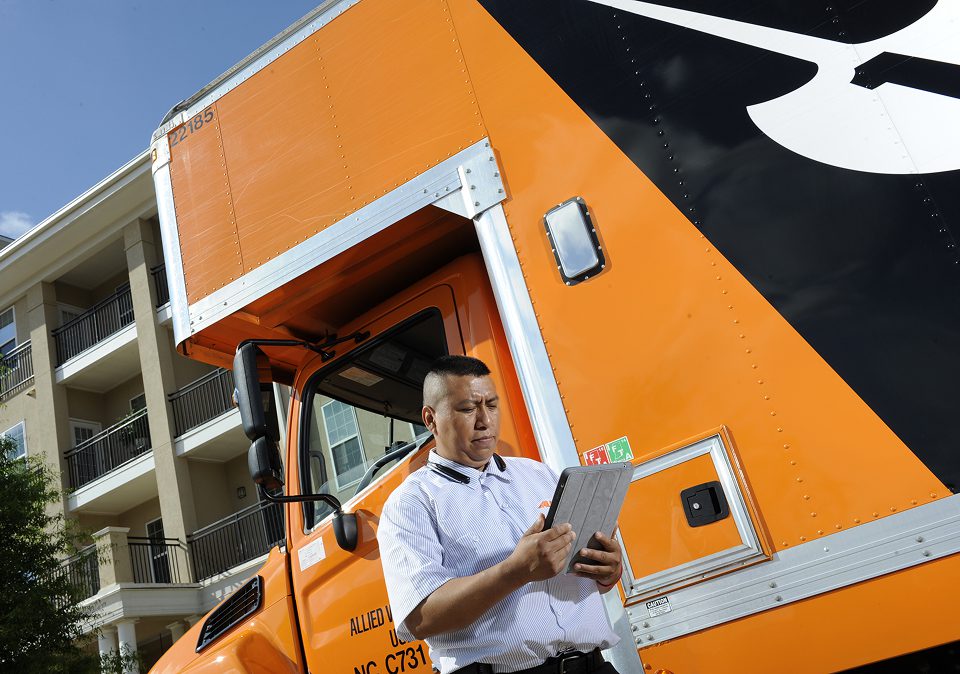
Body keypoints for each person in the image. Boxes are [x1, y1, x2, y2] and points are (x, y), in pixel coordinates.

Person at [377, 355, 624, 674]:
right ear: (431, 418)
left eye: (491, 405)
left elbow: (590, 583)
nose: (485, 421)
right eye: (468, 409)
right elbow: (419, 618)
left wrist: (607, 571)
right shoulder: (411, 503)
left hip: (592, 666)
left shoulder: (540, 475)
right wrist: (515, 571)